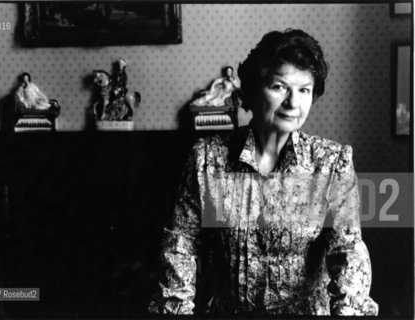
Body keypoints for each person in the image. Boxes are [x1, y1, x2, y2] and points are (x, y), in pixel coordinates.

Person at [149, 29, 378, 316]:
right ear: (255, 90)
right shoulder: (207, 158)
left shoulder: (332, 164)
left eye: (304, 90)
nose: (293, 103)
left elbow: (348, 253)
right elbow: (181, 246)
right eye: (280, 87)